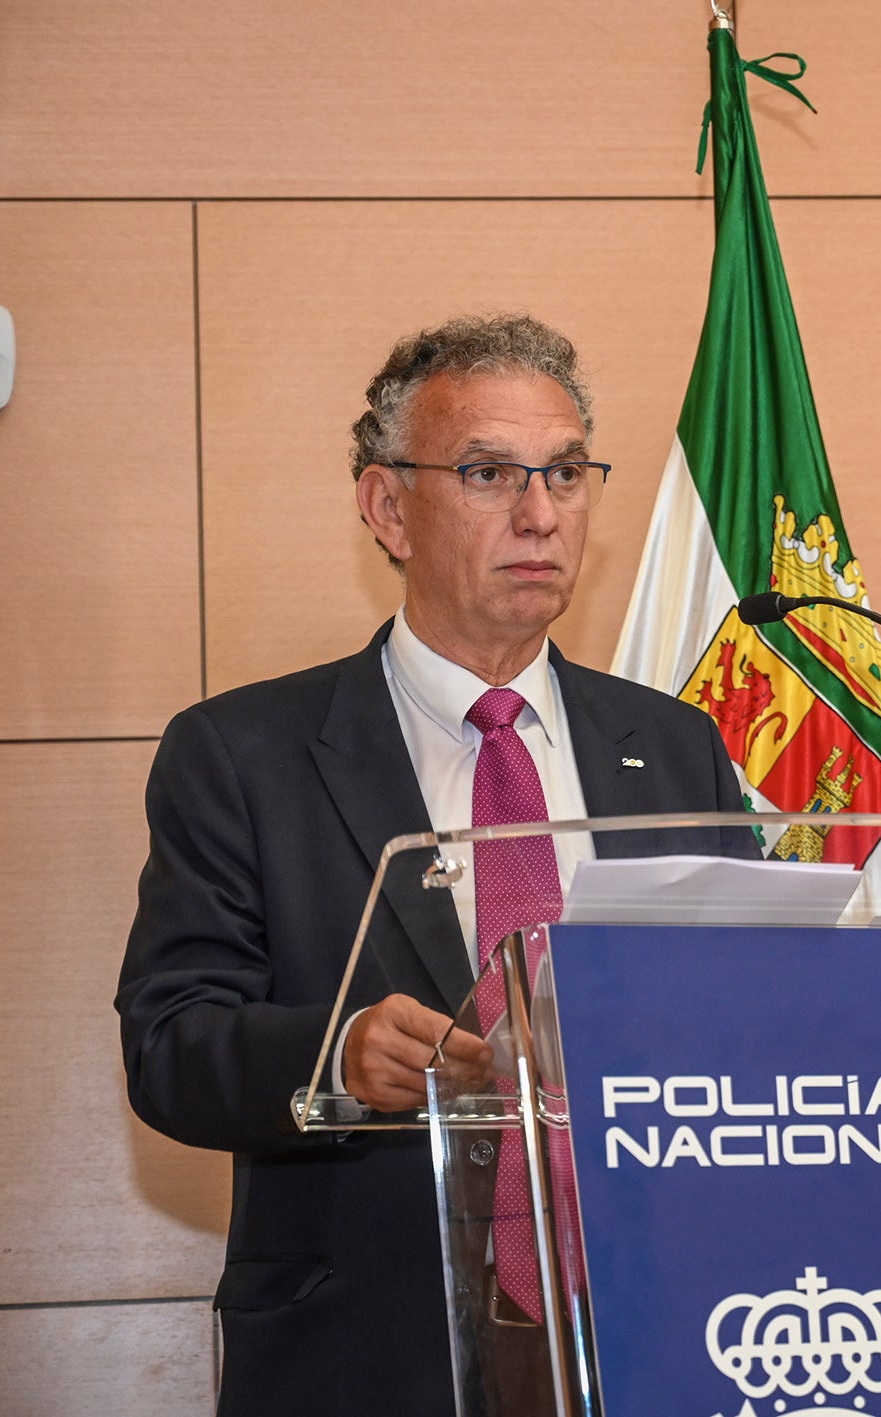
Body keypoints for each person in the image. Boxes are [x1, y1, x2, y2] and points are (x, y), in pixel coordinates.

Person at [116, 313, 755, 1415]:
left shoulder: (676, 745)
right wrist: (338, 1050)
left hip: (661, 1332)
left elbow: (748, 1010)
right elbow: (170, 1043)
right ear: (385, 506)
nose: (541, 513)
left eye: (564, 472)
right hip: (369, 1349)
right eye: (487, 472)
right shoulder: (243, 753)